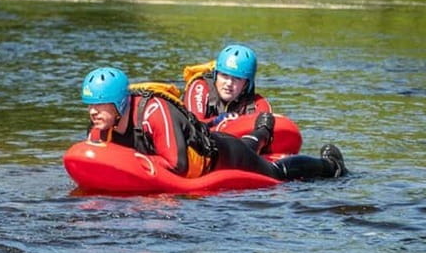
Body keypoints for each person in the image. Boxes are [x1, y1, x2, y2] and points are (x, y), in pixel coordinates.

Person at [81, 67, 347, 180]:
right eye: (90, 105)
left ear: (119, 104)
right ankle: (260, 135)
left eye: (99, 105)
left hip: (219, 155)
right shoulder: (102, 125)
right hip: (218, 147)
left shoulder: (153, 111)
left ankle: (331, 166)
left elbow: (178, 164)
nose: (93, 112)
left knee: (274, 173)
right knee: (249, 147)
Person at [182, 44, 275, 153]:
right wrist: (216, 121)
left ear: (246, 84)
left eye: (237, 78)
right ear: (216, 75)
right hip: (199, 147)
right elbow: (193, 125)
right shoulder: (199, 87)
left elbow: (270, 129)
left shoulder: (258, 103)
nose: (229, 83)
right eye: (224, 76)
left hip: (240, 150)